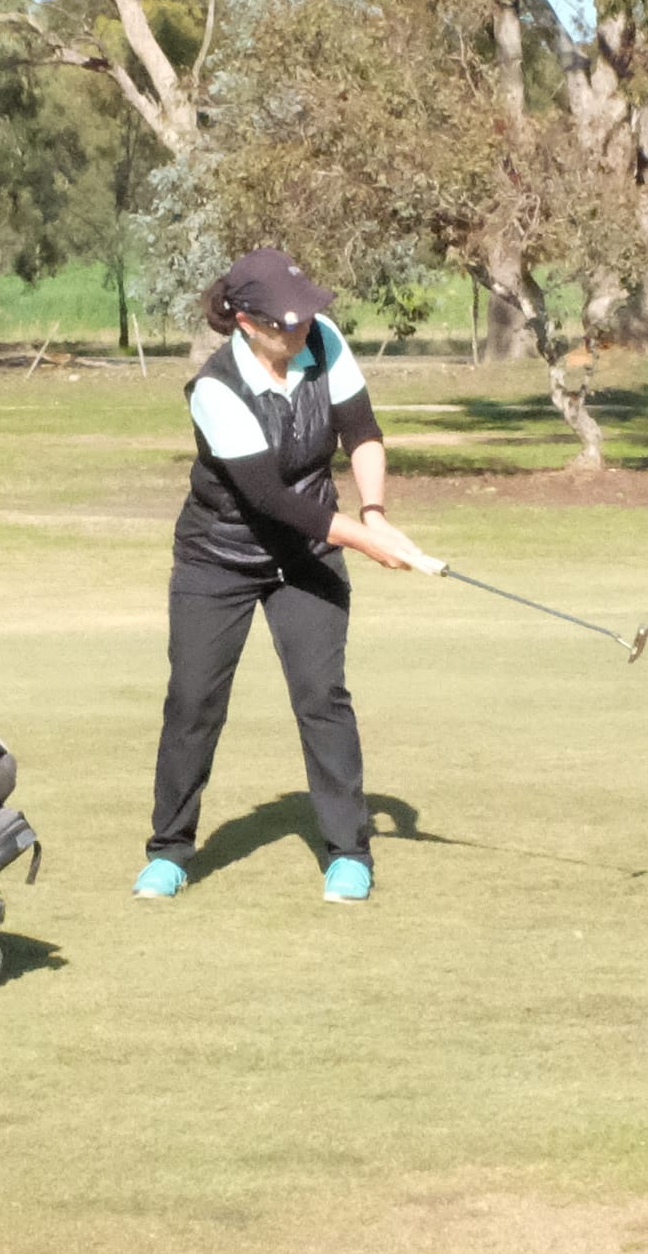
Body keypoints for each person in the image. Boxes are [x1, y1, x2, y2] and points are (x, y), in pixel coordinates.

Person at [134, 248, 430, 904]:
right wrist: (364, 540)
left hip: (308, 555)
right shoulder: (215, 388)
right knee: (192, 701)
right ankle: (170, 850)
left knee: (322, 695)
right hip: (219, 557)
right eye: (284, 325)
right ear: (244, 321)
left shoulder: (322, 342)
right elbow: (272, 499)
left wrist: (375, 512)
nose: (300, 332)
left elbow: (361, 429)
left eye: (305, 321)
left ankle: (349, 851)